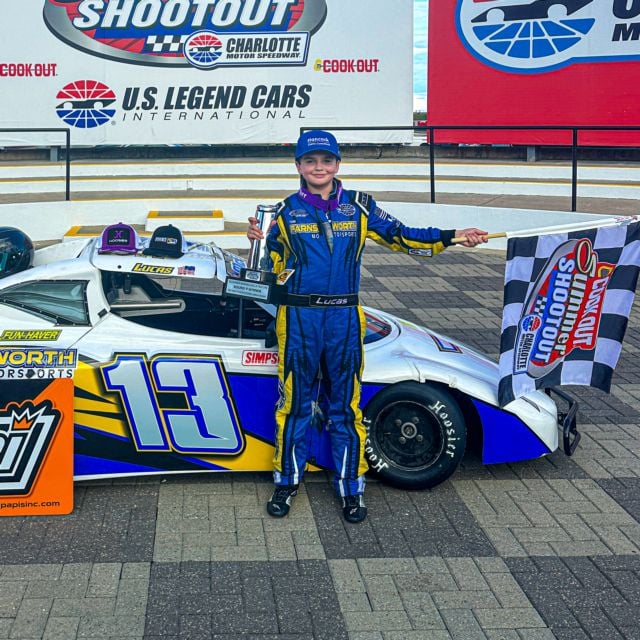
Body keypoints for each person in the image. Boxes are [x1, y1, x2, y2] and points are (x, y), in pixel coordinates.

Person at [248, 130, 487, 523]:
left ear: (338, 165)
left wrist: (454, 238)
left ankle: (350, 487)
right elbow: (267, 271)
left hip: (344, 317)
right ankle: (287, 480)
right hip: (299, 319)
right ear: (298, 167)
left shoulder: (361, 207)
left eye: (326, 161)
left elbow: (403, 236)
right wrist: (257, 242)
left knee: (345, 407)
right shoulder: (283, 212)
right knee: (294, 406)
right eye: (310, 161)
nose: (319, 168)